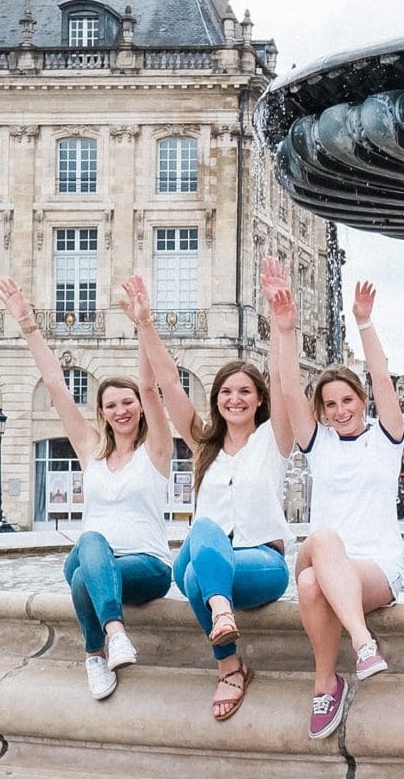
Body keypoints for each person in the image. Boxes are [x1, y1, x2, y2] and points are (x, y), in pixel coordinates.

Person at [118, 272, 293, 722]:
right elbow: (170, 387)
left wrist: (280, 324)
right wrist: (145, 323)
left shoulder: (275, 439)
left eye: (245, 392)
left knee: (196, 574)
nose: (235, 399)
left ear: (259, 401)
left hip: (262, 563)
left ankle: (228, 663)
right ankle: (222, 617)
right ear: (216, 400)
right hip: (208, 554)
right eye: (226, 392)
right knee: (203, 540)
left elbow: (282, 375)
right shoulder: (204, 445)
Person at [0, 275, 172, 698]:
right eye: (110, 405)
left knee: (81, 574)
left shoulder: (156, 449)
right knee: (89, 550)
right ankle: (114, 636)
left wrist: (143, 323)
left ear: (139, 407)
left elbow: (150, 386)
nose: (121, 410)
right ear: (102, 413)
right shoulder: (91, 449)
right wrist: (28, 324)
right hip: (98, 559)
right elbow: (56, 386)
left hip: (147, 566)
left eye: (127, 402)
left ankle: (96, 654)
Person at [263, 258, 404, 741]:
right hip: (323, 548)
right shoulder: (318, 442)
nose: (340, 410)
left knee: (308, 587)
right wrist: (284, 330)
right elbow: (284, 392)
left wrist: (364, 322)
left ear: (360, 401)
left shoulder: (387, 438)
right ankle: (364, 644)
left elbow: (384, 377)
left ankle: (327, 683)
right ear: (321, 412)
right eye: (330, 404)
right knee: (323, 540)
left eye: (347, 400)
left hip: (374, 567)